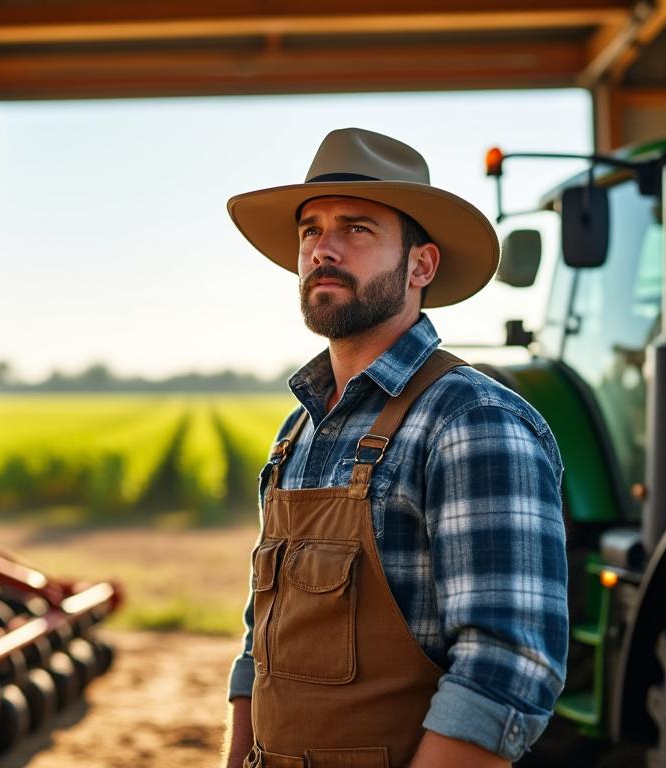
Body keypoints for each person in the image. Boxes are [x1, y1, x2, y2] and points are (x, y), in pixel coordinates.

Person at [221, 128, 568, 768]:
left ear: (420, 266)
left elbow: (507, 666)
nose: (323, 248)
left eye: (356, 228)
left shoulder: (471, 421)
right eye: (310, 231)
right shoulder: (296, 432)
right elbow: (258, 645)